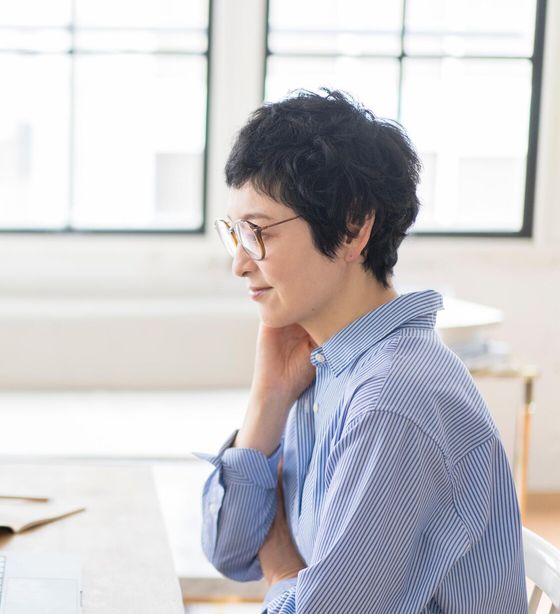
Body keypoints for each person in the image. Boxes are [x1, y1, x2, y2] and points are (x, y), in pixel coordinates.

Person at [198, 89, 526, 612]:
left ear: (353, 227)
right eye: (233, 232)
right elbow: (232, 553)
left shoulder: (394, 402)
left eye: (257, 233)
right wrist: (266, 403)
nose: (238, 263)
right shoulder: (324, 362)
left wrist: (282, 568)